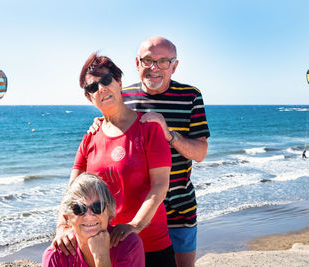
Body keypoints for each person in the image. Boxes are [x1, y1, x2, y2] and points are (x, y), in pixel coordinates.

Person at [89, 37, 210, 267]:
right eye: (147, 61)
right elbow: (109, 128)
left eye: (162, 62)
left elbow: (201, 152)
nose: (154, 68)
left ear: (174, 66)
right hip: (138, 214)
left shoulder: (191, 96)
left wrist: (169, 134)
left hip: (179, 210)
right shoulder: (123, 96)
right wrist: (97, 126)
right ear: (137, 63)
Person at [52, 52, 177, 267]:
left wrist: (135, 225)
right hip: (108, 250)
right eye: (92, 87)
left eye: (106, 80)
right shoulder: (90, 137)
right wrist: (62, 227)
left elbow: (160, 186)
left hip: (152, 245)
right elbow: (72, 192)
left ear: (119, 82)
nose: (101, 89)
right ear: (89, 97)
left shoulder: (148, 129)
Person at [42, 173, 145, 267]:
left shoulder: (128, 245)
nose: (89, 215)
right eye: (79, 209)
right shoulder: (56, 255)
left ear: (110, 213)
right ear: (67, 218)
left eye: (98, 207)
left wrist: (101, 257)